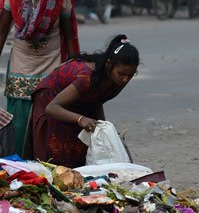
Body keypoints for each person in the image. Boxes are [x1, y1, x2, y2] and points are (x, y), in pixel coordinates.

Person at [0, 0, 79, 156]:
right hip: (21, 64)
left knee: (48, 120)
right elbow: (1, 33)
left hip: (51, 65)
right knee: (17, 121)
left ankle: (45, 164)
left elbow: (70, 37)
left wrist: (74, 70)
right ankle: (16, 165)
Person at [28, 35, 139, 168]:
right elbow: (52, 108)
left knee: (83, 150)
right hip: (52, 99)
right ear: (109, 65)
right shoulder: (86, 77)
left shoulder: (119, 78)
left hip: (77, 102)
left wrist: (105, 129)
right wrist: (81, 119)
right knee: (57, 156)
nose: (125, 80)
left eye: (130, 75)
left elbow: (97, 100)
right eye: (121, 74)